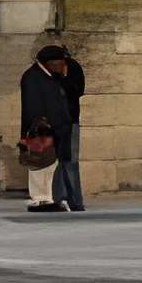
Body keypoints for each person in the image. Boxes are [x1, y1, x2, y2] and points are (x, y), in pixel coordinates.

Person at [19, 46, 72, 214]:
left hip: (54, 129)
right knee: (38, 164)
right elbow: (32, 106)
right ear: (51, 62)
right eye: (60, 62)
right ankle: (39, 198)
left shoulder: (50, 77)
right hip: (41, 130)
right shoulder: (32, 77)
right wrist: (38, 129)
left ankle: (46, 197)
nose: (63, 66)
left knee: (49, 166)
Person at [52, 43, 86, 213]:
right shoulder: (51, 70)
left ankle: (74, 199)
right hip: (60, 120)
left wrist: (63, 78)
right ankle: (62, 197)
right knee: (60, 161)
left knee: (69, 161)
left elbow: (77, 91)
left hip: (69, 119)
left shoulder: (71, 68)